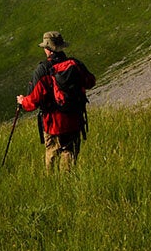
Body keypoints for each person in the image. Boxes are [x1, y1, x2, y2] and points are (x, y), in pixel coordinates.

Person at [16, 31, 95, 171]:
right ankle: (66, 182)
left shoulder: (43, 70)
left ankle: (52, 182)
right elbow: (90, 81)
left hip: (53, 123)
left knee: (52, 154)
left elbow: (33, 101)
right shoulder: (75, 64)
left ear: (47, 49)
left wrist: (22, 102)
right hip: (74, 119)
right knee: (69, 153)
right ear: (61, 46)